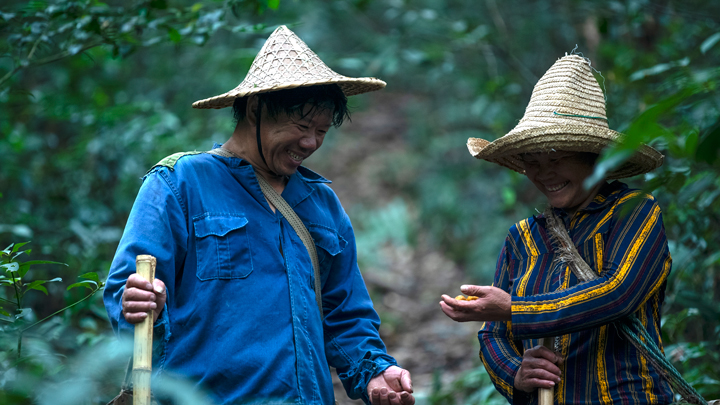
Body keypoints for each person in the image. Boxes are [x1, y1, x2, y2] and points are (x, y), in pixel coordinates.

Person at [104, 25, 414, 405]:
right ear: (255, 109)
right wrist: (135, 301)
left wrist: (374, 371)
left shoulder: (322, 204)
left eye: (320, 131)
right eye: (302, 126)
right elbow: (127, 291)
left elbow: (345, 314)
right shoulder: (179, 184)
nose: (311, 142)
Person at [439, 54, 674, 404]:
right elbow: (494, 336)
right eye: (532, 162)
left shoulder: (634, 212)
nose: (544, 174)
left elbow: (617, 295)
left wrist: (516, 309)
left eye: (556, 159)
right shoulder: (522, 238)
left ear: (593, 156)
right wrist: (516, 373)